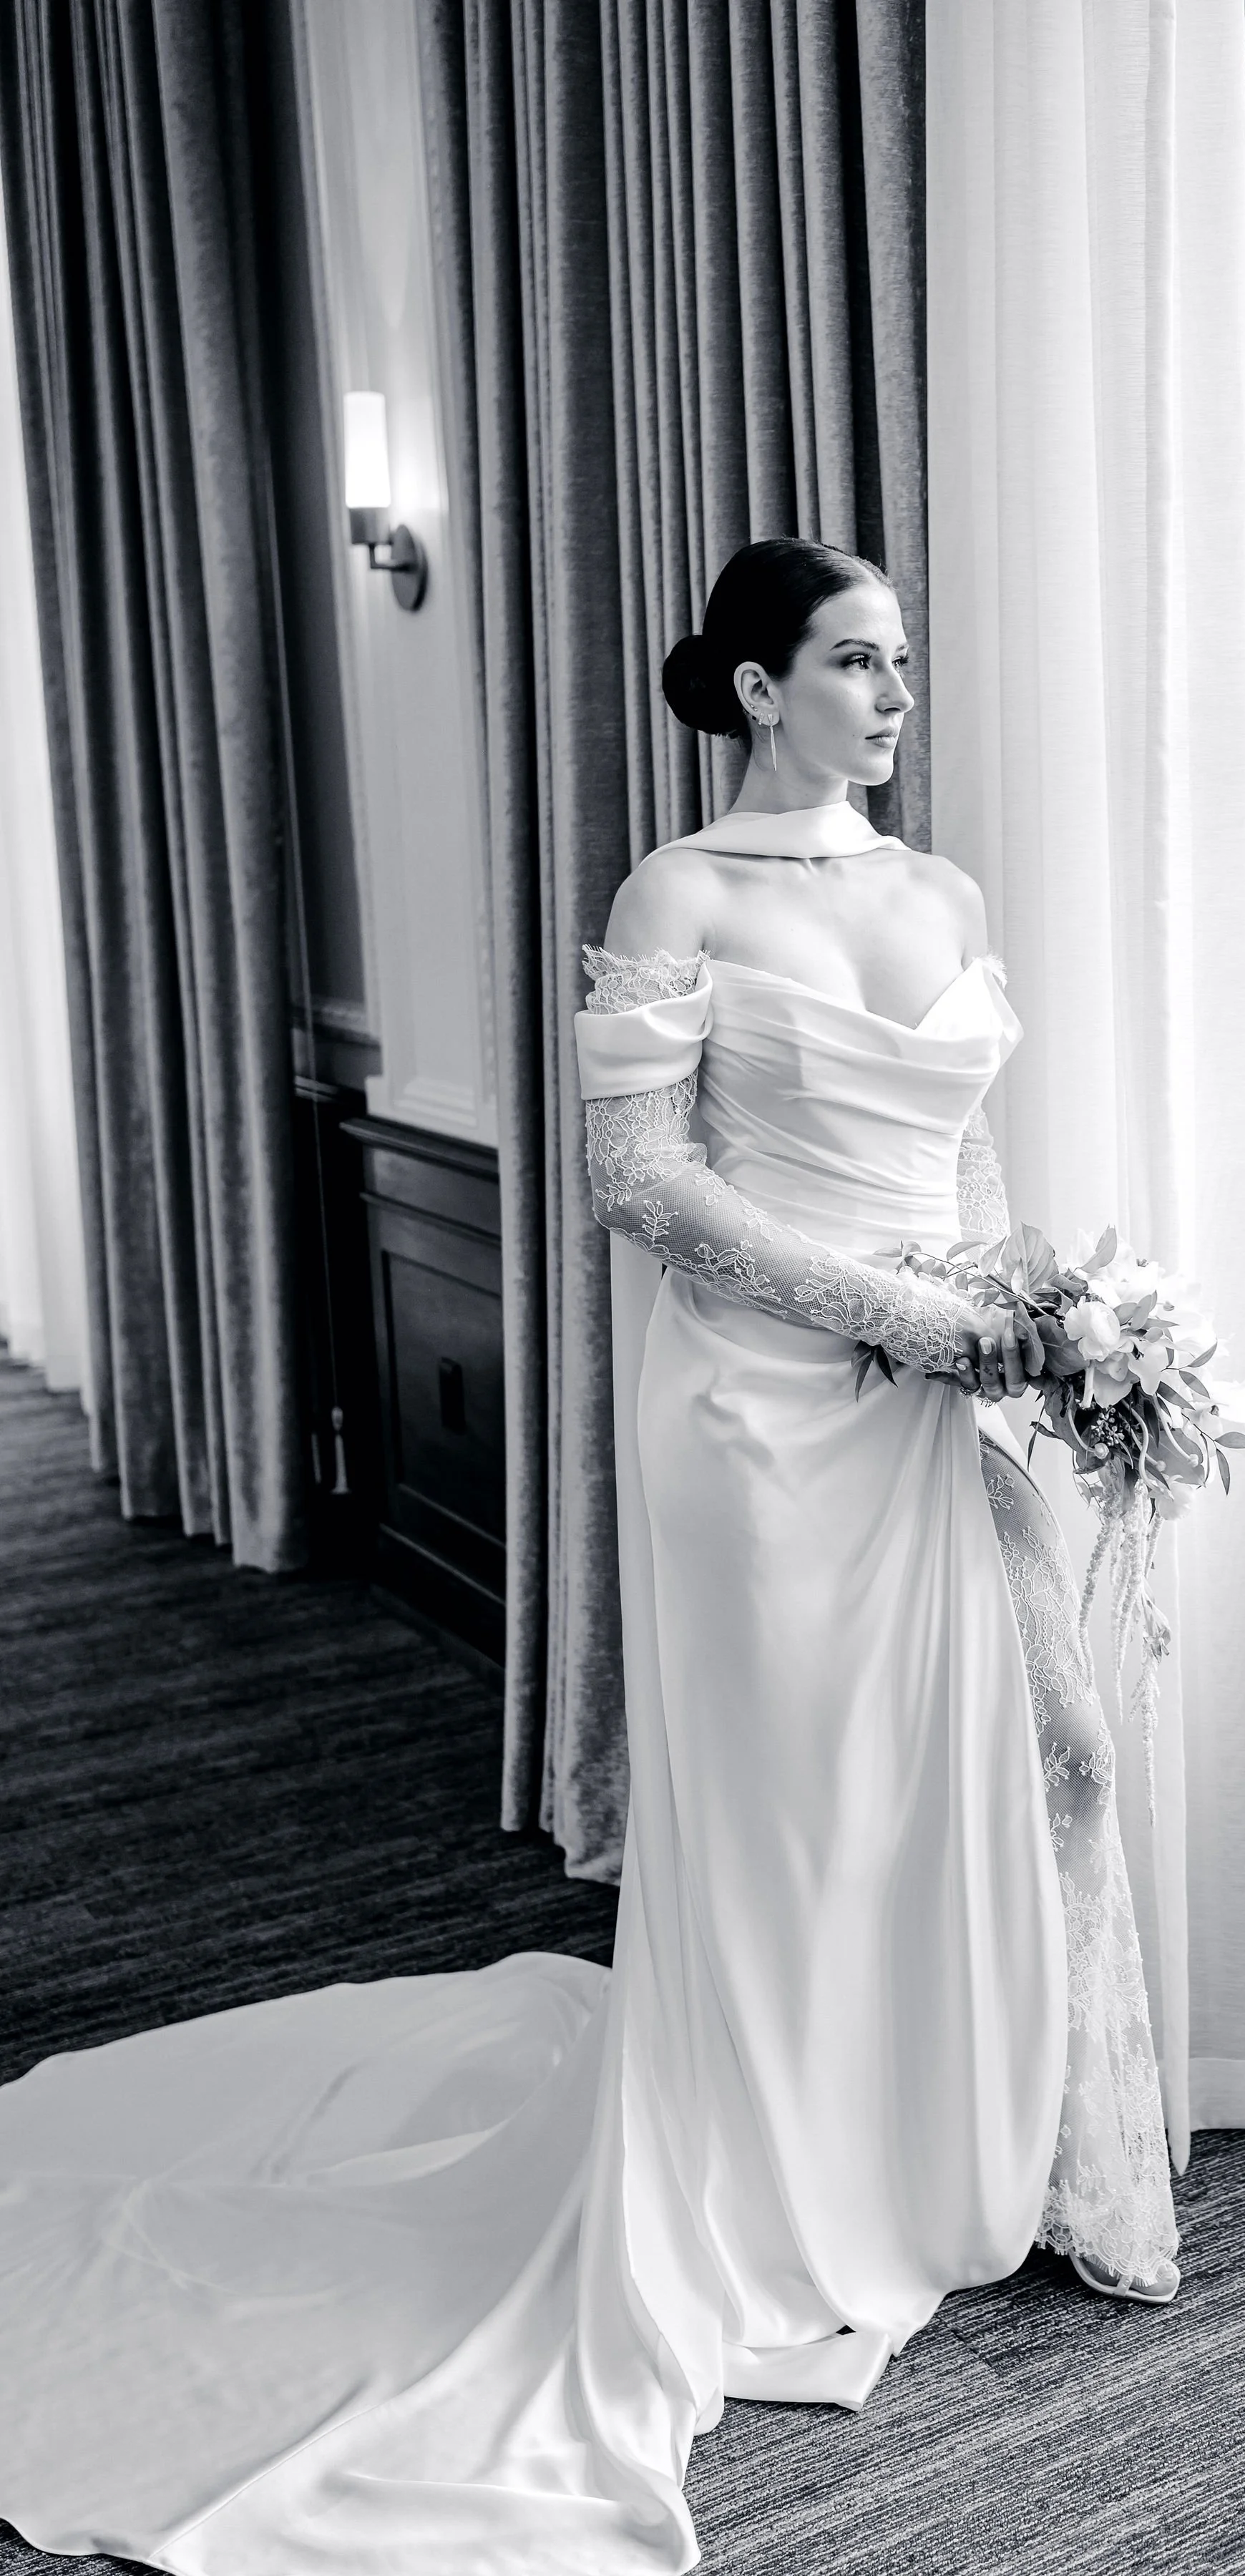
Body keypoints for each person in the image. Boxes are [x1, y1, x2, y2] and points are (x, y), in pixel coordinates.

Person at [0, 537, 1176, 2576]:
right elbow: (642, 1181)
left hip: (940, 1392)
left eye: (907, 660)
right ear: (753, 688)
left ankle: (930, 2155)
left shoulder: (942, 890)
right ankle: (776, 2189)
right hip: (758, 1415)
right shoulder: (680, 891)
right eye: (857, 661)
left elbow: (966, 1156)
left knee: (983, 1762)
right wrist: (896, 1315)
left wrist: (1038, 1314)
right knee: (797, 1800)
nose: (898, 695)